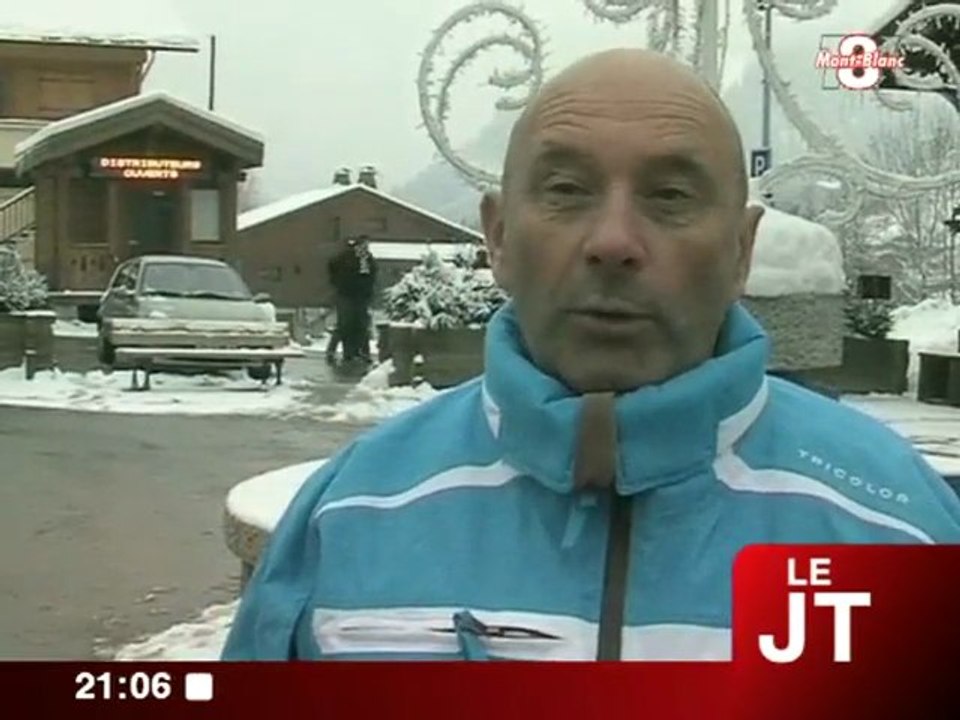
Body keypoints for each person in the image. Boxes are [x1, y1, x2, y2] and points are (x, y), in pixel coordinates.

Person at [222, 49, 960, 661]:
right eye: (567, 189)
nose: (612, 241)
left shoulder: (893, 527)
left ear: (741, 250)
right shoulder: (352, 512)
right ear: (499, 237)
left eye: (670, 195)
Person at [326, 236, 377, 363]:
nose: (365, 248)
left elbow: (372, 275)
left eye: (366, 246)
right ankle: (333, 351)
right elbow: (332, 266)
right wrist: (338, 283)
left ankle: (360, 352)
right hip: (346, 295)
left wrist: (369, 291)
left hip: (361, 296)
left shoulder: (368, 259)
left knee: (361, 325)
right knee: (344, 324)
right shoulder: (346, 257)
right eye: (363, 245)